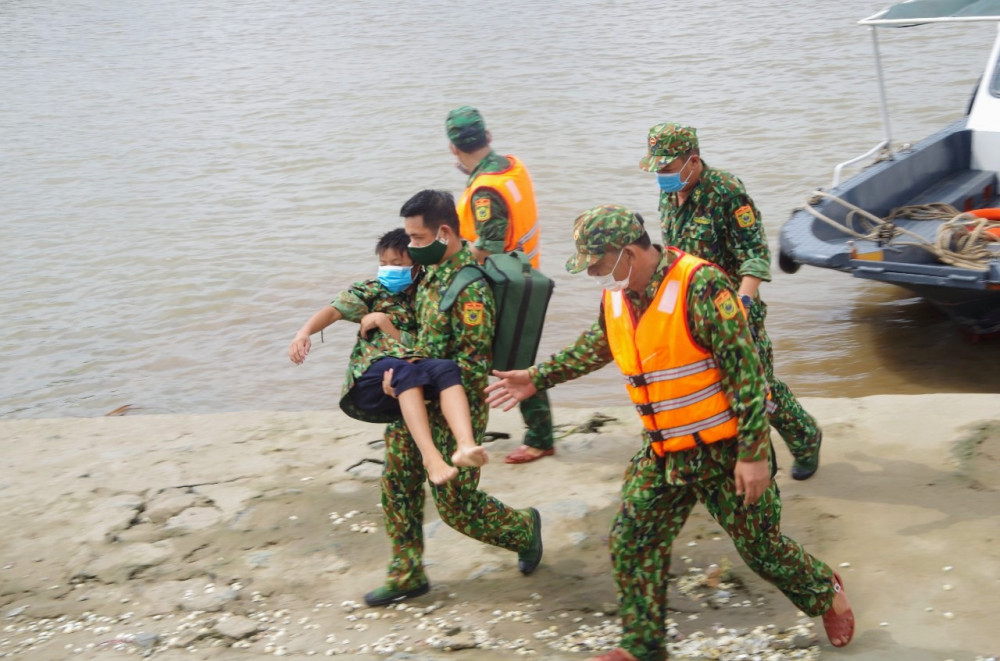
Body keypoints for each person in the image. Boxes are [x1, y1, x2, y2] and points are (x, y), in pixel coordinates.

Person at [485, 205, 854, 661]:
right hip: (664, 451)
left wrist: (754, 454)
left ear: (627, 253)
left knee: (761, 550)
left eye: (597, 264)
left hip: (725, 449)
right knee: (632, 539)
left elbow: (747, 376)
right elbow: (599, 343)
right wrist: (538, 377)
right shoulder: (618, 295)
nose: (593, 274)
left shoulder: (701, 285)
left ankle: (825, 590)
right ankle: (642, 646)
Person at [363, 189, 542, 608]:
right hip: (412, 400)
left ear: (444, 232)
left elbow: (472, 368)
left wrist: (415, 374)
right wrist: (397, 366)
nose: (411, 247)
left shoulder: (469, 288)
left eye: (417, 238)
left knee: (457, 507)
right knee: (397, 483)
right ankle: (407, 573)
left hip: (452, 409)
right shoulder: (429, 273)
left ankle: (524, 529)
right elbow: (420, 336)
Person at [639, 122, 823, 480]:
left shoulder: (727, 192)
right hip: (692, 310)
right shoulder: (669, 193)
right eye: (656, 169)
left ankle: (804, 438)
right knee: (718, 387)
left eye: (666, 168)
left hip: (734, 307)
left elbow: (754, 253)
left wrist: (744, 302)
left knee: (758, 388)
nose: (661, 176)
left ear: (692, 161)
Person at [288, 228, 487, 486]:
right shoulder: (372, 291)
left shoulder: (426, 294)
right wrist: (304, 333)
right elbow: (334, 310)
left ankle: (466, 445)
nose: (389, 269)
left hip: (411, 373)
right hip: (370, 376)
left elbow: (425, 344)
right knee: (405, 372)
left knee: (447, 369)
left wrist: (385, 324)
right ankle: (431, 458)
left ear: (416, 265)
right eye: (384, 263)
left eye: (397, 263)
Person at [446, 105, 555, 465]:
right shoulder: (511, 165)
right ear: (488, 137)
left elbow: (489, 246)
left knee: (509, 361)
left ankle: (539, 438)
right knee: (514, 357)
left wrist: (450, 260)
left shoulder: (484, 191)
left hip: (503, 286)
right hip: (525, 275)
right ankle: (530, 434)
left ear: (453, 148)